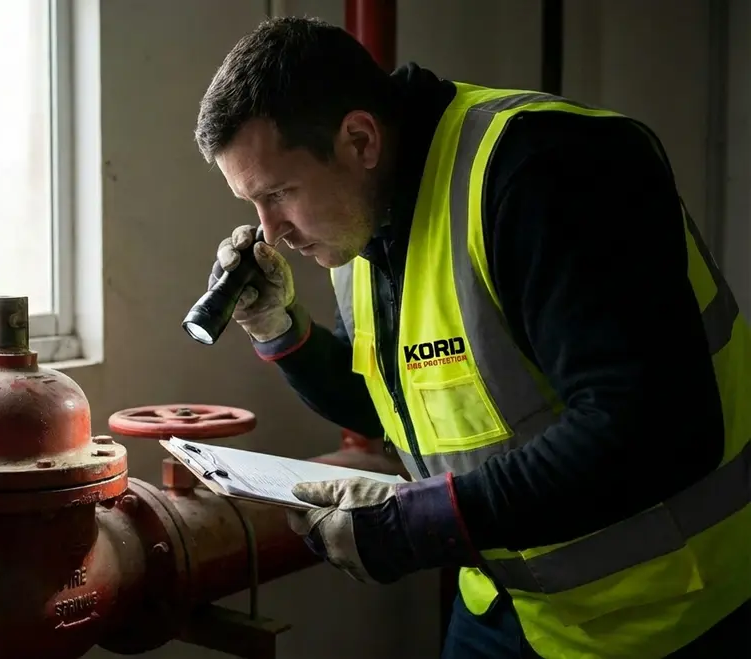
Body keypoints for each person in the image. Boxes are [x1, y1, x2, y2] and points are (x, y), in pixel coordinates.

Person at [194, 16, 751, 659]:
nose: (269, 232)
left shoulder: (549, 171)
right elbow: (403, 402)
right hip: (510, 602)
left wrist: (414, 526)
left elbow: (655, 427)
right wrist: (282, 331)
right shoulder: (366, 217)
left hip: (668, 612)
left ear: (359, 138)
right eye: (252, 204)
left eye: (280, 193)